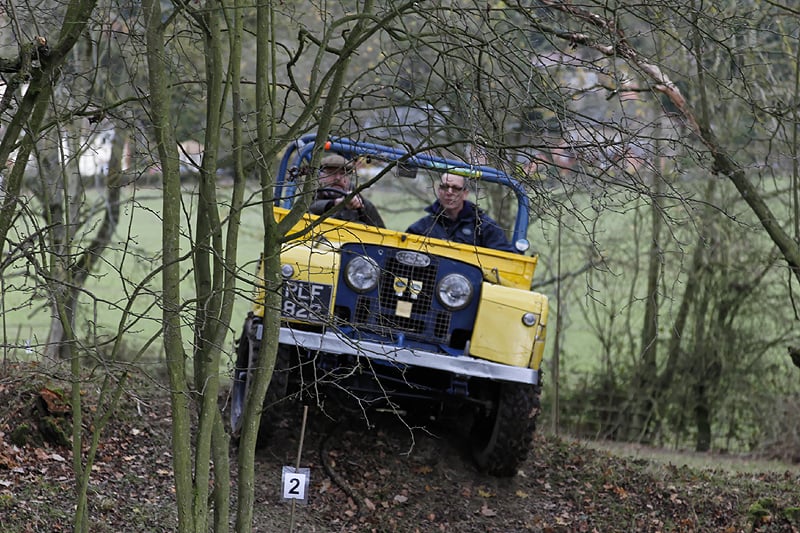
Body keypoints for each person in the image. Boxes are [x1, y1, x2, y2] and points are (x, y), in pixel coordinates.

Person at [406, 172, 517, 253]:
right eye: (445, 187)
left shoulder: (483, 227)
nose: (449, 192)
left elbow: (504, 257)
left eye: (455, 188)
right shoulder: (423, 227)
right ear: (439, 191)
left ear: (465, 193)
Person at [309, 154, 385, 228]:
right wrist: (335, 204)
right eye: (331, 173)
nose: (338, 178)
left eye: (343, 173)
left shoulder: (364, 204)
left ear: (349, 178)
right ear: (320, 177)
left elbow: (382, 234)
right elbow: (309, 209)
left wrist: (360, 208)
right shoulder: (307, 199)